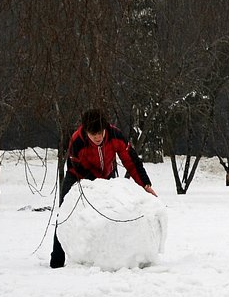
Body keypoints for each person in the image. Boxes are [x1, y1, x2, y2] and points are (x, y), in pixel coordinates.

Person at [51, 108, 157, 269]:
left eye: (100, 133)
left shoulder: (115, 135)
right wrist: (96, 184)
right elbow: (76, 165)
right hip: (77, 176)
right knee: (64, 214)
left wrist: (145, 184)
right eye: (94, 135)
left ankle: (109, 256)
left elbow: (131, 161)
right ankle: (57, 259)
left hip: (106, 175)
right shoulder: (77, 140)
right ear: (86, 132)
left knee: (110, 214)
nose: (98, 137)